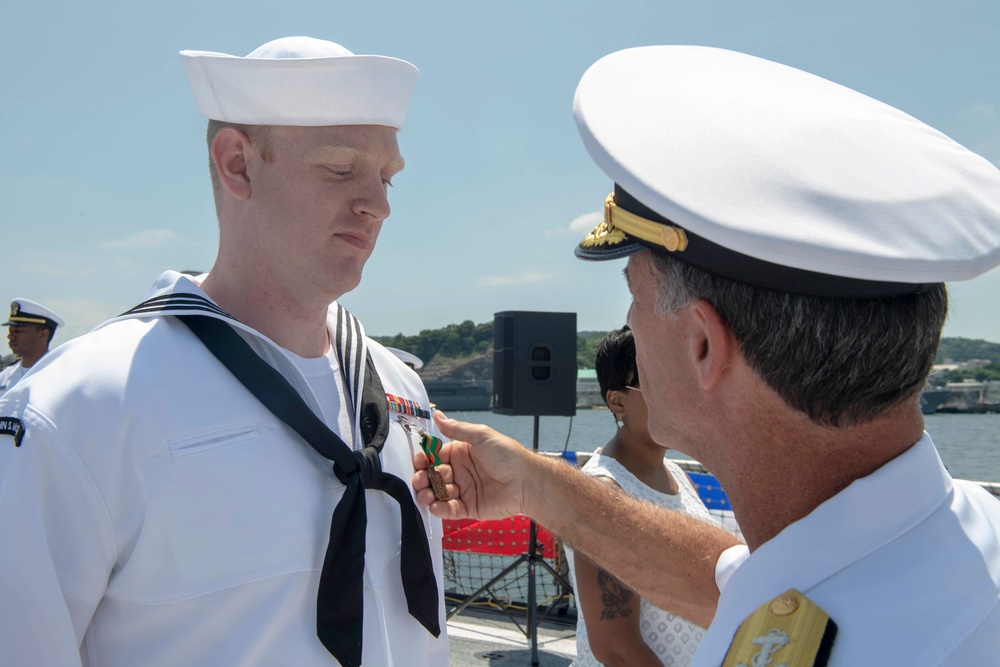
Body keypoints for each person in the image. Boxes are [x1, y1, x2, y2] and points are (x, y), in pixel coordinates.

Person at [414, 46, 1000, 665]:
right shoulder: (956, 540)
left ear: (702, 345)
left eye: (634, 299)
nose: (631, 326)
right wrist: (535, 485)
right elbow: (732, 580)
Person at [0, 37, 447, 667]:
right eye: (341, 168)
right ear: (238, 165)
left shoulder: (399, 388)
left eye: (387, 176)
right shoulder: (76, 409)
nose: (379, 204)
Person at [566, 325, 722, 666]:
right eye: (656, 385)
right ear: (617, 400)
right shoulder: (602, 492)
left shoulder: (676, 475)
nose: (676, 396)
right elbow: (616, 648)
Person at [0, 298, 64, 394]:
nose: (10, 336)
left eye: (18, 331)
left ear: (42, 335)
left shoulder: (61, 374)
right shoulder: (4, 376)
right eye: (11, 330)